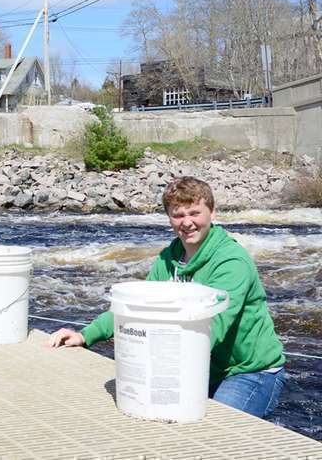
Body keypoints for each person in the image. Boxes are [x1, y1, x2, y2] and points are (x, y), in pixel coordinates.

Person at [49, 176, 286, 419]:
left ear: (212, 213)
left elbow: (214, 324)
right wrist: (85, 335)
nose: (187, 223)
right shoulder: (167, 259)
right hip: (198, 368)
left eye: (195, 213)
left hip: (249, 372)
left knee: (214, 430)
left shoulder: (232, 262)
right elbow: (135, 308)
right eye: (178, 215)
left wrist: (164, 358)